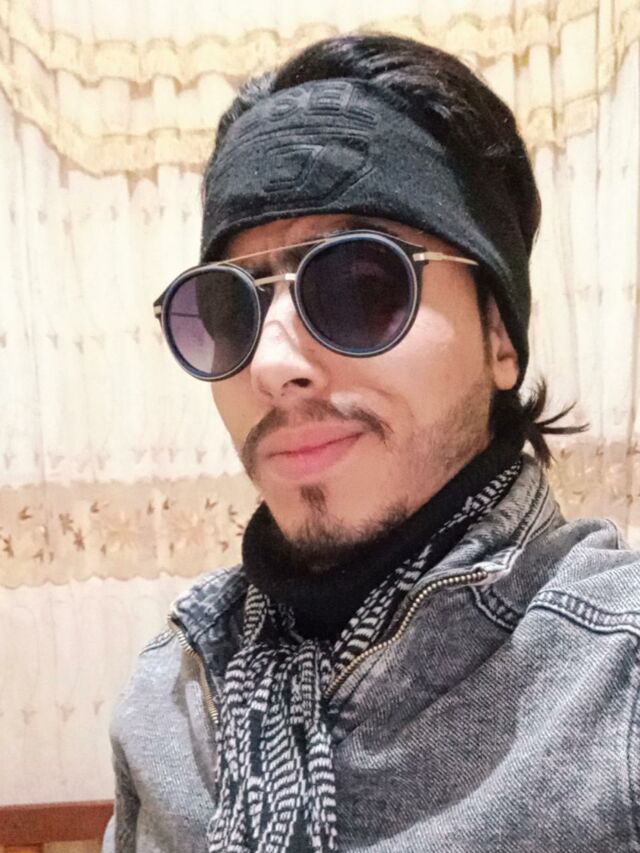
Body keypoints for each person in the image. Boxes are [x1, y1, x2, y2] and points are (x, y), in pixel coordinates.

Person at [103, 33, 640, 853]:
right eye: (230, 308)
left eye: (360, 283)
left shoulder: (616, 684)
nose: (271, 365)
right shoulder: (171, 698)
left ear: (500, 335)